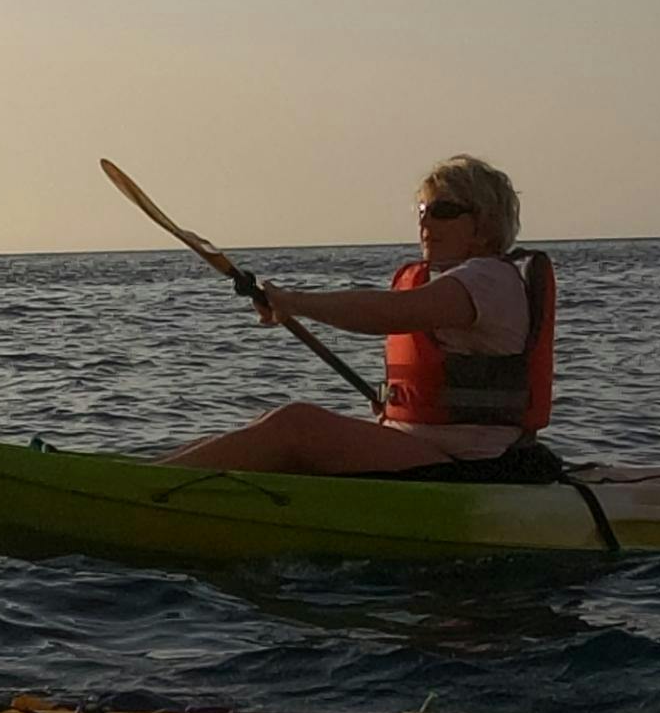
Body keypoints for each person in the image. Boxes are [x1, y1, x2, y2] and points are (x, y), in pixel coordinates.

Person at [164, 155, 558, 477]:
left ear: (484, 224)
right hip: (427, 452)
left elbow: (390, 313)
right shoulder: (460, 280)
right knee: (270, 421)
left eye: (443, 210)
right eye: (423, 210)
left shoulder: (488, 278)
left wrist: (293, 301)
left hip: (475, 468)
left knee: (295, 425)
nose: (425, 222)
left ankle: (152, 486)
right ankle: (158, 474)